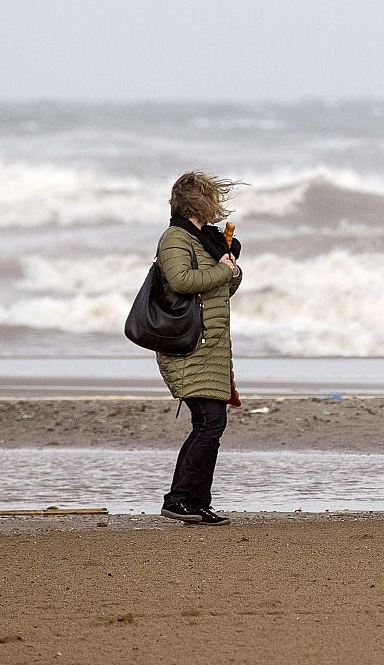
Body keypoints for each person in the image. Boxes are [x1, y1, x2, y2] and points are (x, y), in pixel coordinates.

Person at [155, 171, 244, 526]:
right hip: (190, 345)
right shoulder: (176, 238)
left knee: (210, 423)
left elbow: (219, 293)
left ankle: (195, 501)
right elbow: (180, 281)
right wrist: (223, 272)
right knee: (209, 422)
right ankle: (179, 499)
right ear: (197, 201)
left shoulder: (205, 239)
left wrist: (231, 271)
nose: (219, 204)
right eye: (212, 196)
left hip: (212, 345)